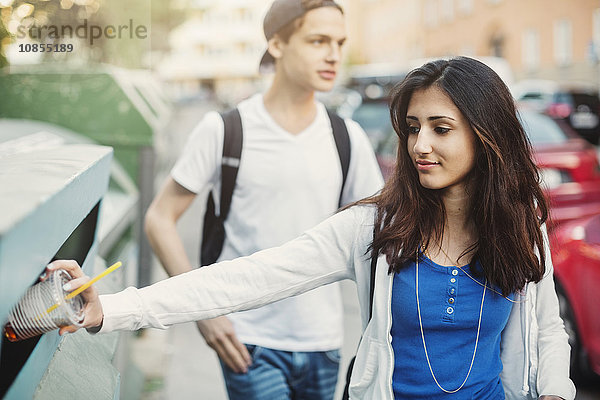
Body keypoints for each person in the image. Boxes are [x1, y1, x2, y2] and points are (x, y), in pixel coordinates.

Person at [51, 57, 576, 400]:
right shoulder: (375, 227)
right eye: (413, 128)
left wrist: (554, 391)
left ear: (488, 137)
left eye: (441, 129)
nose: (419, 146)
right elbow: (250, 278)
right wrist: (114, 308)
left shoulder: (521, 226)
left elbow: (547, 328)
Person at [142, 0, 383, 399]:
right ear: (277, 43)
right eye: (318, 40)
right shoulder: (225, 130)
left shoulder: (347, 137)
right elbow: (159, 218)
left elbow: (380, 233)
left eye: (339, 42)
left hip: (324, 341)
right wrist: (204, 313)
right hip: (248, 340)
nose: (333, 54)